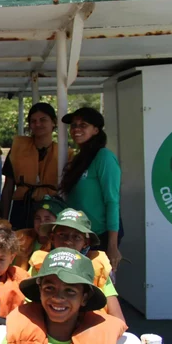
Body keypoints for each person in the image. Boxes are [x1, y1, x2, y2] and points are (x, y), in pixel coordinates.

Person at [28, 209, 125, 323]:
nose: (68, 241)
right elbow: (28, 304)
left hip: (90, 329)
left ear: (86, 243)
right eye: (62, 235)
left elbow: (118, 318)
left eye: (76, 237)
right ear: (52, 238)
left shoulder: (98, 265)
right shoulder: (40, 263)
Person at [60, 107, 123, 270]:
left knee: (99, 287)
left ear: (96, 130)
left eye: (83, 125)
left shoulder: (104, 157)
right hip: (79, 235)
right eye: (73, 125)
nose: (76, 129)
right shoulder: (78, 159)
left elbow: (112, 201)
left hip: (100, 235)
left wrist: (112, 245)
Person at [2, 103, 65, 229]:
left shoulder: (64, 154)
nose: (38, 124)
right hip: (22, 208)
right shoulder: (17, 149)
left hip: (50, 209)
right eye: (33, 121)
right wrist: (3, 219)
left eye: (43, 120)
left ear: (53, 123)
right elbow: (8, 188)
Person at [14, 195, 67, 270]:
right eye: (38, 218)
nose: (41, 223)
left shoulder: (61, 245)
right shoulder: (20, 237)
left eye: (47, 219)